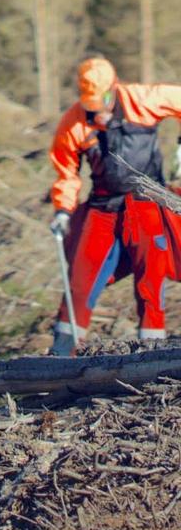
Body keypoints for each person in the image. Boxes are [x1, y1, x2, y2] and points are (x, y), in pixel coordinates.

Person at [48, 57, 181, 355]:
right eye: (91, 102)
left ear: (114, 86)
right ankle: (60, 358)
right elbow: (66, 173)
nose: (98, 108)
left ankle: (152, 357)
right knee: (79, 283)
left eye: (103, 99)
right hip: (104, 205)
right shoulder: (74, 122)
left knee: (151, 285)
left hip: (148, 203)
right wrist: (62, 211)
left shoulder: (144, 100)